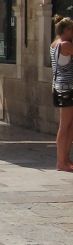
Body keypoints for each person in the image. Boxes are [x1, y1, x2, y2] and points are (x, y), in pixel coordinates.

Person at [51, 15, 73, 171]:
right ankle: (61, 162)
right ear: (67, 30)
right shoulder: (65, 45)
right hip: (66, 88)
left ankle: (65, 158)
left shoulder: (55, 44)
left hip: (61, 87)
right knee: (65, 126)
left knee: (69, 125)